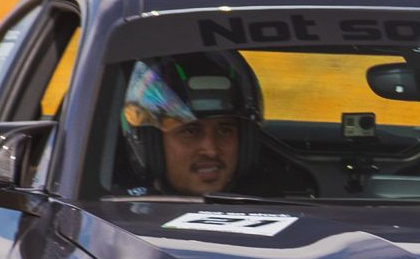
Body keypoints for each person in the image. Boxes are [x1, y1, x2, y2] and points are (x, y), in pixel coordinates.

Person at [118, 51, 313, 198]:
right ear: (150, 144)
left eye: (224, 130)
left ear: (246, 142)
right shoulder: (117, 219)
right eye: (190, 131)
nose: (211, 150)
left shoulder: (278, 209)